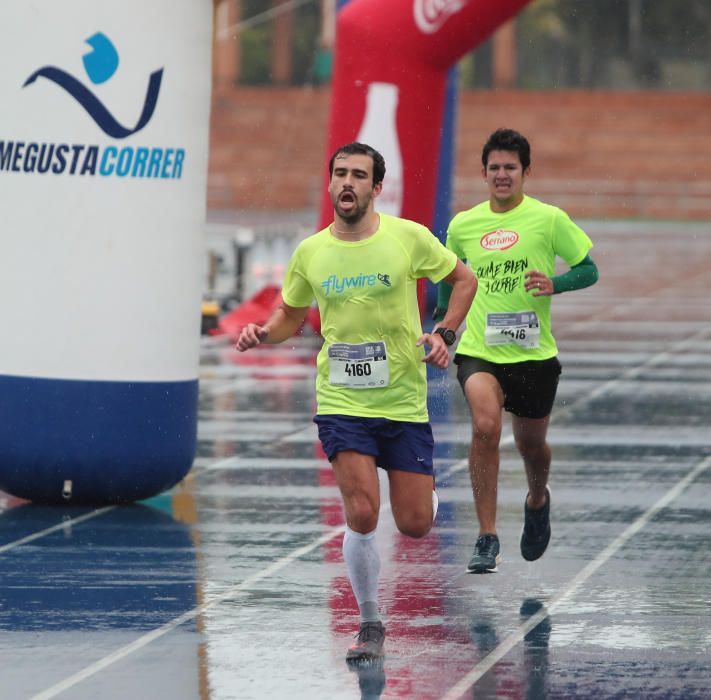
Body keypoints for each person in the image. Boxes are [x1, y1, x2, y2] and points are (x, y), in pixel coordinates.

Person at [236, 142, 477, 661]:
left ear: (376, 187)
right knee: (363, 512)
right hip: (342, 399)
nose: (347, 183)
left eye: (358, 176)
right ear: (330, 184)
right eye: (340, 174)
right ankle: (370, 622)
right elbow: (290, 316)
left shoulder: (407, 238)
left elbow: (463, 279)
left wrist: (445, 332)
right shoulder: (311, 252)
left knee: (414, 524)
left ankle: (427, 493)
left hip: (403, 399)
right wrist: (263, 333)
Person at [434, 128, 599, 574]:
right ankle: (487, 536)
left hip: (533, 354)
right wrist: (441, 322)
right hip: (480, 352)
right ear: (483, 173)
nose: (502, 175)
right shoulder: (464, 225)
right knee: (485, 427)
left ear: (526, 172)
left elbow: (589, 270)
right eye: (494, 168)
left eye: (510, 168)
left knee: (532, 447)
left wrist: (555, 283)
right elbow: (446, 278)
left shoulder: (548, 219)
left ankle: (537, 498)